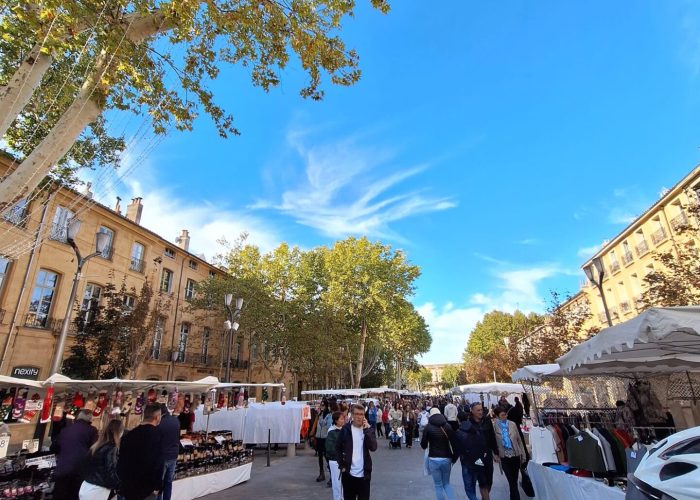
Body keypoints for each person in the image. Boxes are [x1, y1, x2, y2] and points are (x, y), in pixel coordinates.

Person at [117, 403, 164, 500]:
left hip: (129, 485)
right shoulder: (157, 436)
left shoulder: (129, 435)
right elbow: (158, 463)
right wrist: (158, 485)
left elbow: (121, 460)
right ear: (157, 417)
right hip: (146, 487)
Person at [455, 403, 499, 500]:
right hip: (476, 457)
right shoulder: (469, 423)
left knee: (489, 481)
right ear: (472, 411)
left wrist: (496, 452)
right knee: (482, 481)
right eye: (478, 410)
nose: (480, 412)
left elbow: (492, 437)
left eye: (481, 410)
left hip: (487, 455)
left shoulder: (486, 421)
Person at [53, 409, 98, 500]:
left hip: (62, 468)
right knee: (74, 495)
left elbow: (55, 447)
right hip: (79, 469)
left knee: (60, 495)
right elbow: (94, 450)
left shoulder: (66, 429)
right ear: (89, 418)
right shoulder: (91, 430)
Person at [335, 403, 378, 500]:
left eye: (361, 414)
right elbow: (337, 447)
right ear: (352, 415)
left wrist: (367, 430)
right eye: (357, 414)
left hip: (364, 475)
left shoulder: (368, 429)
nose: (359, 417)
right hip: (349, 474)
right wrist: (341, 465)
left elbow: (373, 447)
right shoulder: (346, 429)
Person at [80, 419, 123, 500]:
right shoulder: (112, 448)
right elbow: (110, 470)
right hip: (98, 490)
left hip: (86, 486)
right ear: (119, 432)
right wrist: (118, 485)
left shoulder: (95, 446)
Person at [420, 407, 457, 500]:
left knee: (438, 485)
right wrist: (454, 458)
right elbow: (454, 443)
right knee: (447, 483)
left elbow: (423, 445)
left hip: (433, 458)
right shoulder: (447, 426)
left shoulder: (428, 427)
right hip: (446, 458)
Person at [493, 406, 526, 500]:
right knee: (511, 481)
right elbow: (493, 442)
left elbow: (519, 440)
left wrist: (523, 455)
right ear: (498, 416)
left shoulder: (512, 424)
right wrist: (494, 455)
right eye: (503, 415)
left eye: (506, 414)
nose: (505, 416)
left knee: (514, 481)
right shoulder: (494, 426)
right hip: (504, 457)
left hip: (515, 455)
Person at [156, 404, 180, 500]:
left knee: (159, 482)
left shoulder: (159, 422)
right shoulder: (176, 420)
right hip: (173, 455)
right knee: (168, 482)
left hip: (163, 456)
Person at [326, 411, 346, 500]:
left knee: (344, 484)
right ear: (336, 420)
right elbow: (330, 449)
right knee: (337, 484)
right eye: (341, 419)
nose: (343, 420)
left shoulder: (344, 429)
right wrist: (341, 453)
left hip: (345, 461)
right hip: (335, 461)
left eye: (343, 418)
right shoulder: (331, 432)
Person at [314, 400, 331, 482]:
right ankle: (321, 473)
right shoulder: (320, 414)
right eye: (321, 405)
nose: (321, 406)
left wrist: (319, 416)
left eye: (323, 405)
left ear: (326, 406)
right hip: (319, 437)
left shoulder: (328, 415)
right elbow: (317, 426)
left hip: (325, 438)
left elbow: (324, 424)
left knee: (327, 456)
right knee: (320, 456)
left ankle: (332, 473)